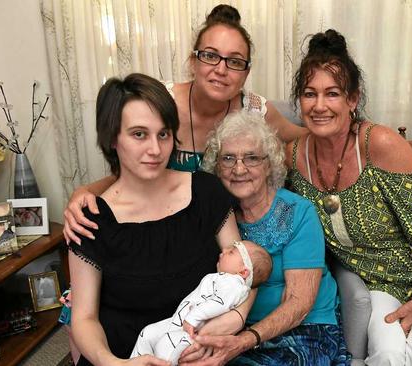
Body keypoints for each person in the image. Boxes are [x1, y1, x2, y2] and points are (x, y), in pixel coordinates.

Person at [286, 29, 412, 366]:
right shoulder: (294, 158)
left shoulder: (379, 145)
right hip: (376, 281)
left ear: (352, 100)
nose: (319, 105)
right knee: (386, 354)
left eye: (332, 94)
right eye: (309, 94)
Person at [62, 4, 305, 243]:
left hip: (234, 234)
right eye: (210, 56)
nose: (221, 69)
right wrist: (85, 192)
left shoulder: (254, 110)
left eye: (235, 61)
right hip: (172, 232)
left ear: (246, 73)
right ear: (193, 62)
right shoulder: (160, 106)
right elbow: (130, 173)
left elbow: (306, 140)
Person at [68, 73, 246, 366]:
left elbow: (243, 275)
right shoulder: (91, 220)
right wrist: (112, 363)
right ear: (113, 137)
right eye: (139, 134)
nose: (155, 149)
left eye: (163, 134)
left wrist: (231, 323)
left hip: (201, 352)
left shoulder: (206, 191)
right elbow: (84, 318)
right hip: (121, 357)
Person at [192, 110, 349, 365]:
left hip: (305, 329)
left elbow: (299, 303)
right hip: (237, 331)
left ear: (269, 164)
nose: (239, 169)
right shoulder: (217, 215)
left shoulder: (298, 212)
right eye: (228, 158)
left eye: (251, 158)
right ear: (216, 166)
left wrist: (246, 339)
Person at [131, 240, 272, 364]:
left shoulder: (235, 285)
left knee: (166, 346)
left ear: (243, 272)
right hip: (178, 322)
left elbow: (219, 303)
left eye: (232, 252)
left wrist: (193, 318)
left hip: (193, 331)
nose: (224, 250)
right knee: (147, 333)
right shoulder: (222, 278)